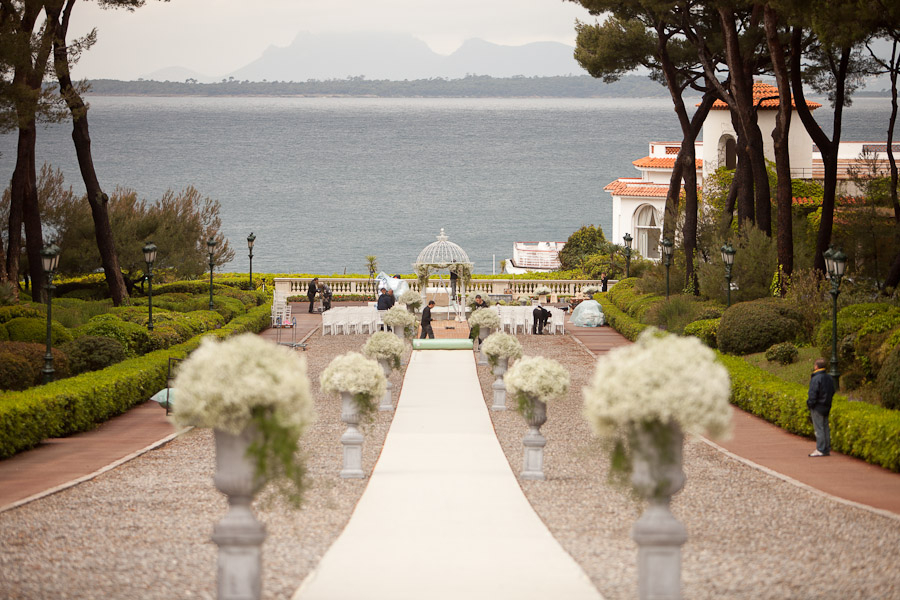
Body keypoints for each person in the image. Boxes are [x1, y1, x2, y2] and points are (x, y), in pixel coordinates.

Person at [807, 358, 835, 457]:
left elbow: (813, 393)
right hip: (826, 405)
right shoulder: (829, 377)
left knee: (819, 428)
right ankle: (826, 448)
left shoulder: (816, 378)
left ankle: (820, 449)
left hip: (817, 406)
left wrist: (810, 404)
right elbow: (832, 391)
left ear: (816, 366)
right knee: (825, 428)